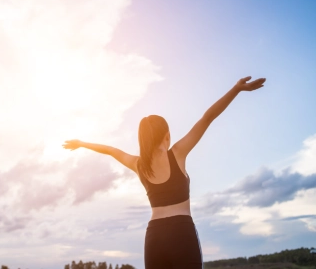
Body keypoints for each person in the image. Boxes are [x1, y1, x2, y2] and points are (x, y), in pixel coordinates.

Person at [63, 76, 266, 269]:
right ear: (167, 136)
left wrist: (81, 143)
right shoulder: (177, 154)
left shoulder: (138, 165)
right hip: (182, 232)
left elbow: (110, 150)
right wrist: (236, 89)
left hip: (155, 237)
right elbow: (208, 117)